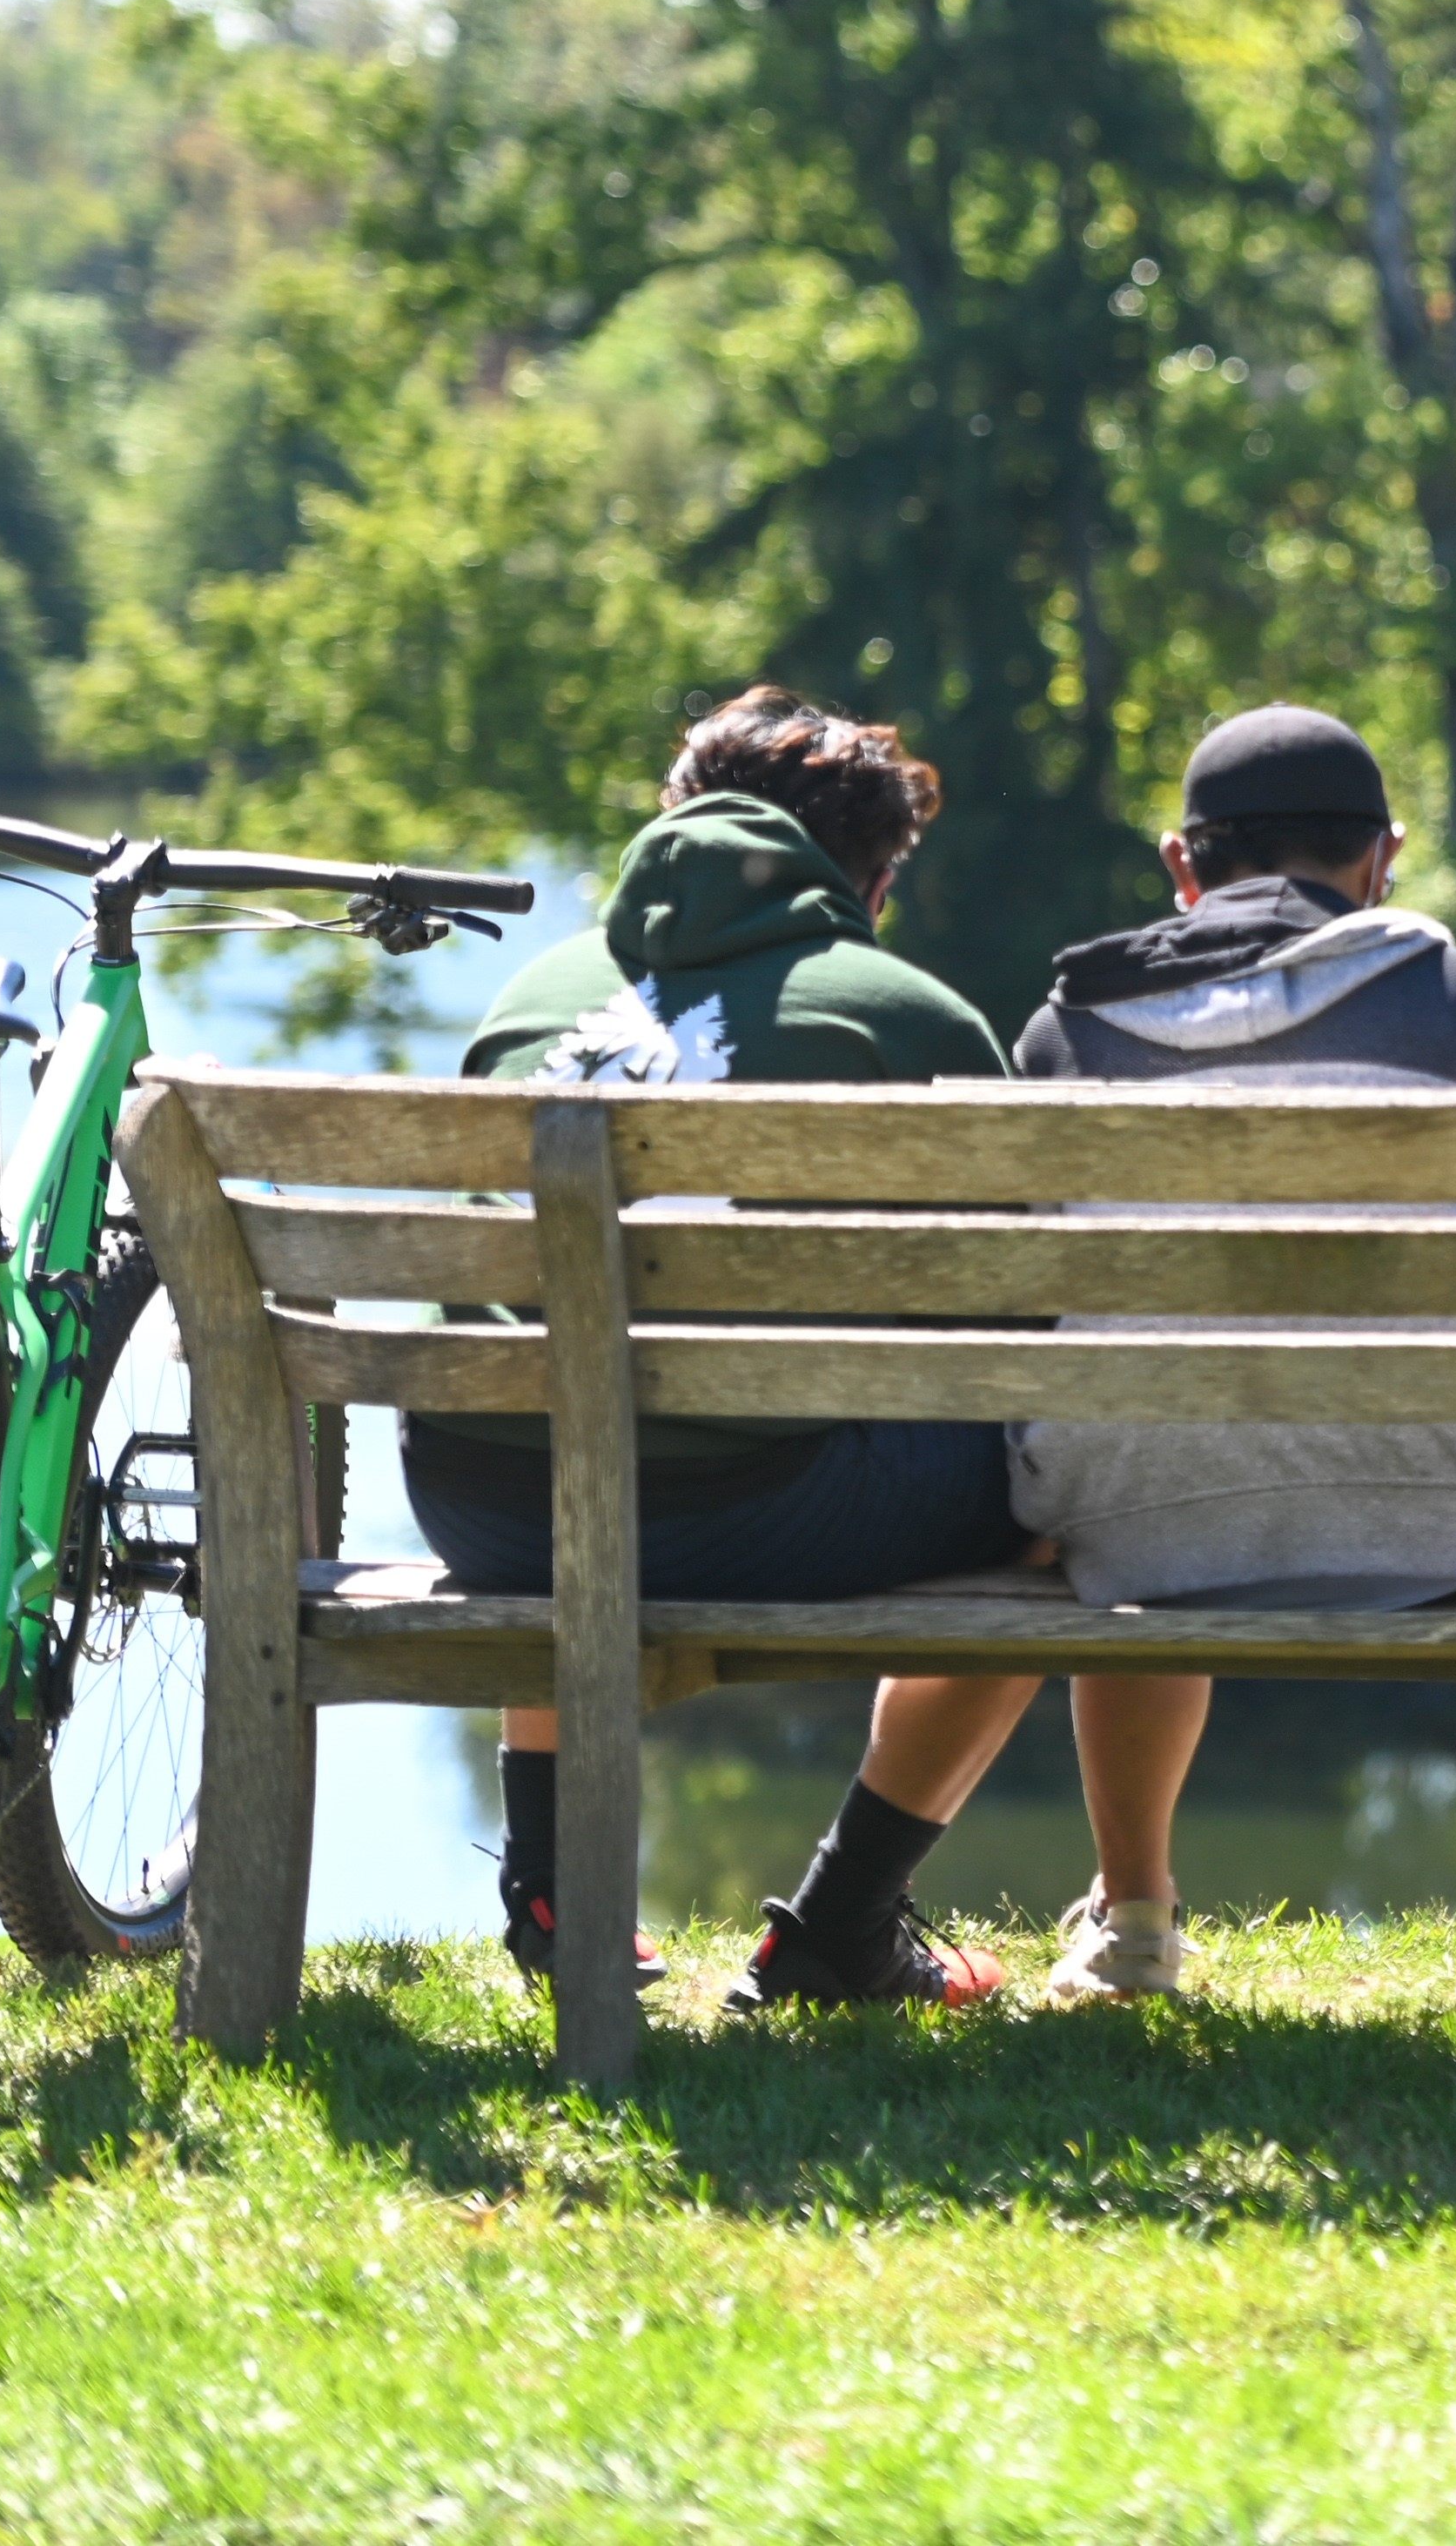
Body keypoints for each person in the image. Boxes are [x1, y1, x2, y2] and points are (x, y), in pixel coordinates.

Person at [1006, 702, 1456, 2010]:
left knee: (1124, 1427)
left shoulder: (1070, 1030)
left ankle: (1133, 1919)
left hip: (1151, 1537)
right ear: (1383, 858)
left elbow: (1037, 1318)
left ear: (1181, 866)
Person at [403, 686, 1043, 2011]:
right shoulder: (900, 1013)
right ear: (864, 876)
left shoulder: (532, 996)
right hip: (756, 1514)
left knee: (565, 1412)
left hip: (482, 1499)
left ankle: (555, 1888)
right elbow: (1015, 1322)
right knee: (1053, 1491)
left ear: (675, 819)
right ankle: (844, 1925)